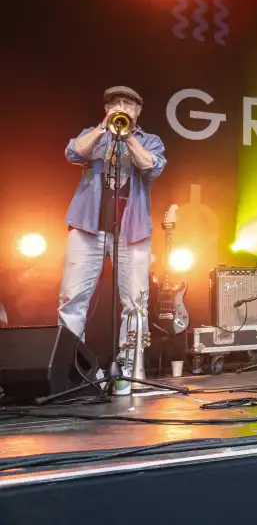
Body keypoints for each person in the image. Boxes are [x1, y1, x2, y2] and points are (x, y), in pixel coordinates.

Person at [58, 86, 167, 378]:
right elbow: (73, 152)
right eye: (116, 103)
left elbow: (151, 168)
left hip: (132, 232)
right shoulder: (92, 134)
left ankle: (130, 369)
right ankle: (74, 370)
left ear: (138, 111)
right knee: (72, 299)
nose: (122, 107)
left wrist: (128, 136)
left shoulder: (150, 141)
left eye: (128, 104)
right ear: (106, 109)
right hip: (87, 229)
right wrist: (101, 128)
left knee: (135, 302)